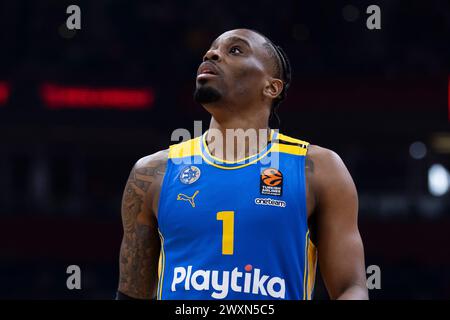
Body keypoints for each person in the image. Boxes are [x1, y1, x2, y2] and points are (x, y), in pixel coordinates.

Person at [116, 28, 368, 300]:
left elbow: (350, 288)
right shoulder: (152, 173)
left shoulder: (318, 168)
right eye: (211, 50)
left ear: (272, 87)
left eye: (235, 50)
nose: (211, 53)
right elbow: (131, 296)